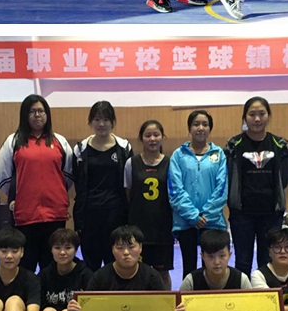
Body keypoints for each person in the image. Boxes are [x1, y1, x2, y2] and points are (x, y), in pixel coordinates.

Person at [0, 94, 73, 273]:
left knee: (52, 268)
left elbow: (68, 174)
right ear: (24, 115)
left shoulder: (59, 141)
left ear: (47, 114)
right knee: (25, 267)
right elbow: (0, 172)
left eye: (41, 111)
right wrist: (16, 195)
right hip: (25, 215)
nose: (37, 115)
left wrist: (57, 192)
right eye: (32, 111)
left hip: (55, 215)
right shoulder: (13, 141)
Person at [225, 96, 288, 275]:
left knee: (268, 262)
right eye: (252, 114)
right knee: (243, 261)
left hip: (271, 214)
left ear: (269, 116)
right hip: (241, 214)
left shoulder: (279, 145)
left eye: (262, 114)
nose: (257, 119)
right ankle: (244, 293)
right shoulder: (233, 145)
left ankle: (266, 293)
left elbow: (284, 179)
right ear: (244, 118)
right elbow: (227, 177)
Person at [67, 101, 133, 273]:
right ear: (90, 122)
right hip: (89, 216)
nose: (101, 124)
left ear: (113, 122)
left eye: (106, 119)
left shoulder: (124, 148)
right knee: (91, 265)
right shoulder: (80, 149)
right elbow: (77, 181)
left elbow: (129, 183)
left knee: (116, 263)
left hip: (116, 214)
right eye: (97, 119)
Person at [168, 109, 228, 277]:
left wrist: (205, 215)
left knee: (212, 268)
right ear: (189, 128)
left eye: (205, 124)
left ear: (210, 128)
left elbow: (222, 188)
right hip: (185, 221)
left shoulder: (218, 154)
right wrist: (193, 216)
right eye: (196, 124)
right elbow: (175, 189)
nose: (200, 128)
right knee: (189, 268)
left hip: (212, 221)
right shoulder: (178, 155)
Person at [126, 119, 174, 289]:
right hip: (139, 228)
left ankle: (166, 303)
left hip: (162, 228)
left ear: (162, 137)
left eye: (156, 135)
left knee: (163, 273)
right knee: (137, 272)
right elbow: (128, 193)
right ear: (141, 138)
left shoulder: (170, 163)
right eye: (148, 135)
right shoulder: (132, 163)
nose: (152, 139)